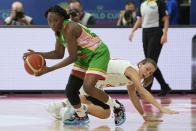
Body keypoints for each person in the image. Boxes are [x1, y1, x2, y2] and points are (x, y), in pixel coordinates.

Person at [23, 5, 125, 126]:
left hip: (97, 53)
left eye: (55, 20)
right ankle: (81, 116)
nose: (52, 24)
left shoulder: (69, 28)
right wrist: (37, 54)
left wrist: (49, 69)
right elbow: (58, 54)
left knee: (88, 87)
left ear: (62, 18)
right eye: (49, 21)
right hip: (83, 57)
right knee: (70, 91)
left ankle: (117, 106)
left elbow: (72, 57)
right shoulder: (58, 33)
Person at [46, 58, 179, 124]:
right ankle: (77, 109)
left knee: (85, 98)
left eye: (151, 72)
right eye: (147, 69)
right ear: (140, 65)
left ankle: (58, 106)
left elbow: (134, 97)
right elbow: (143, 92)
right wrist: (161, 108)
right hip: (90, 75)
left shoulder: (133, 77)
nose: (148, 73)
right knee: (105, 113)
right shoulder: (132, 70)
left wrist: (143, 116)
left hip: (90, 75)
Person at [129, 0, 171, 96]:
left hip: (156, 32)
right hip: (145, 32)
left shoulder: (159, 3)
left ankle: (147, 88)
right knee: (150, 62)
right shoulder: (143, 3)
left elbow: (166, 19)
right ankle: (164, 86)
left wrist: (165, 33)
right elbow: (140, 20)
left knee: (150, 62)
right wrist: (133, 31)